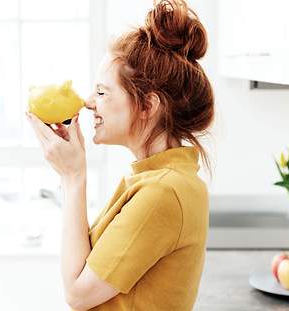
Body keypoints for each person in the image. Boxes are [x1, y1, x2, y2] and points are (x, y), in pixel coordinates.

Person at [26, 0, 214, 309]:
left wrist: (73, 176)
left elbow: (78, 294)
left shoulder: (162, 193)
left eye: (102, 92)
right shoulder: (157, 180)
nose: (89, 102)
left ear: (148, 106)